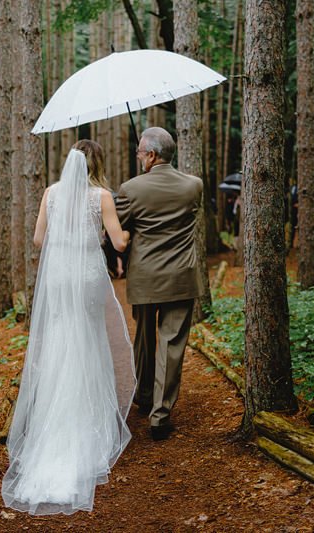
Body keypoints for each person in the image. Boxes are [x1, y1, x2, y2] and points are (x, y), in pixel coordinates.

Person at [2, 140, 135, 516]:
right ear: (97, 163)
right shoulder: (102, 196)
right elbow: (120, 242)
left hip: (59, 275)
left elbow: (39, 239)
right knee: (89, 339)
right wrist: (127, 228)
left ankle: (51, 426)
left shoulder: (50, 193)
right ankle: (89, 424)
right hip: (87, 273)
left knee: (61, 340)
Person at [115, 127, 205, 441]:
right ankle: (160, 415)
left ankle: (143, 396)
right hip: (181, 277)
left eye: (140, 153)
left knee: (144, 338)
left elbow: (118, 231)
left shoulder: (130, 189)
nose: (139, 157)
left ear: (152, 155)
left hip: (145, 278)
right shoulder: (194, 186)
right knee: (172, 343)